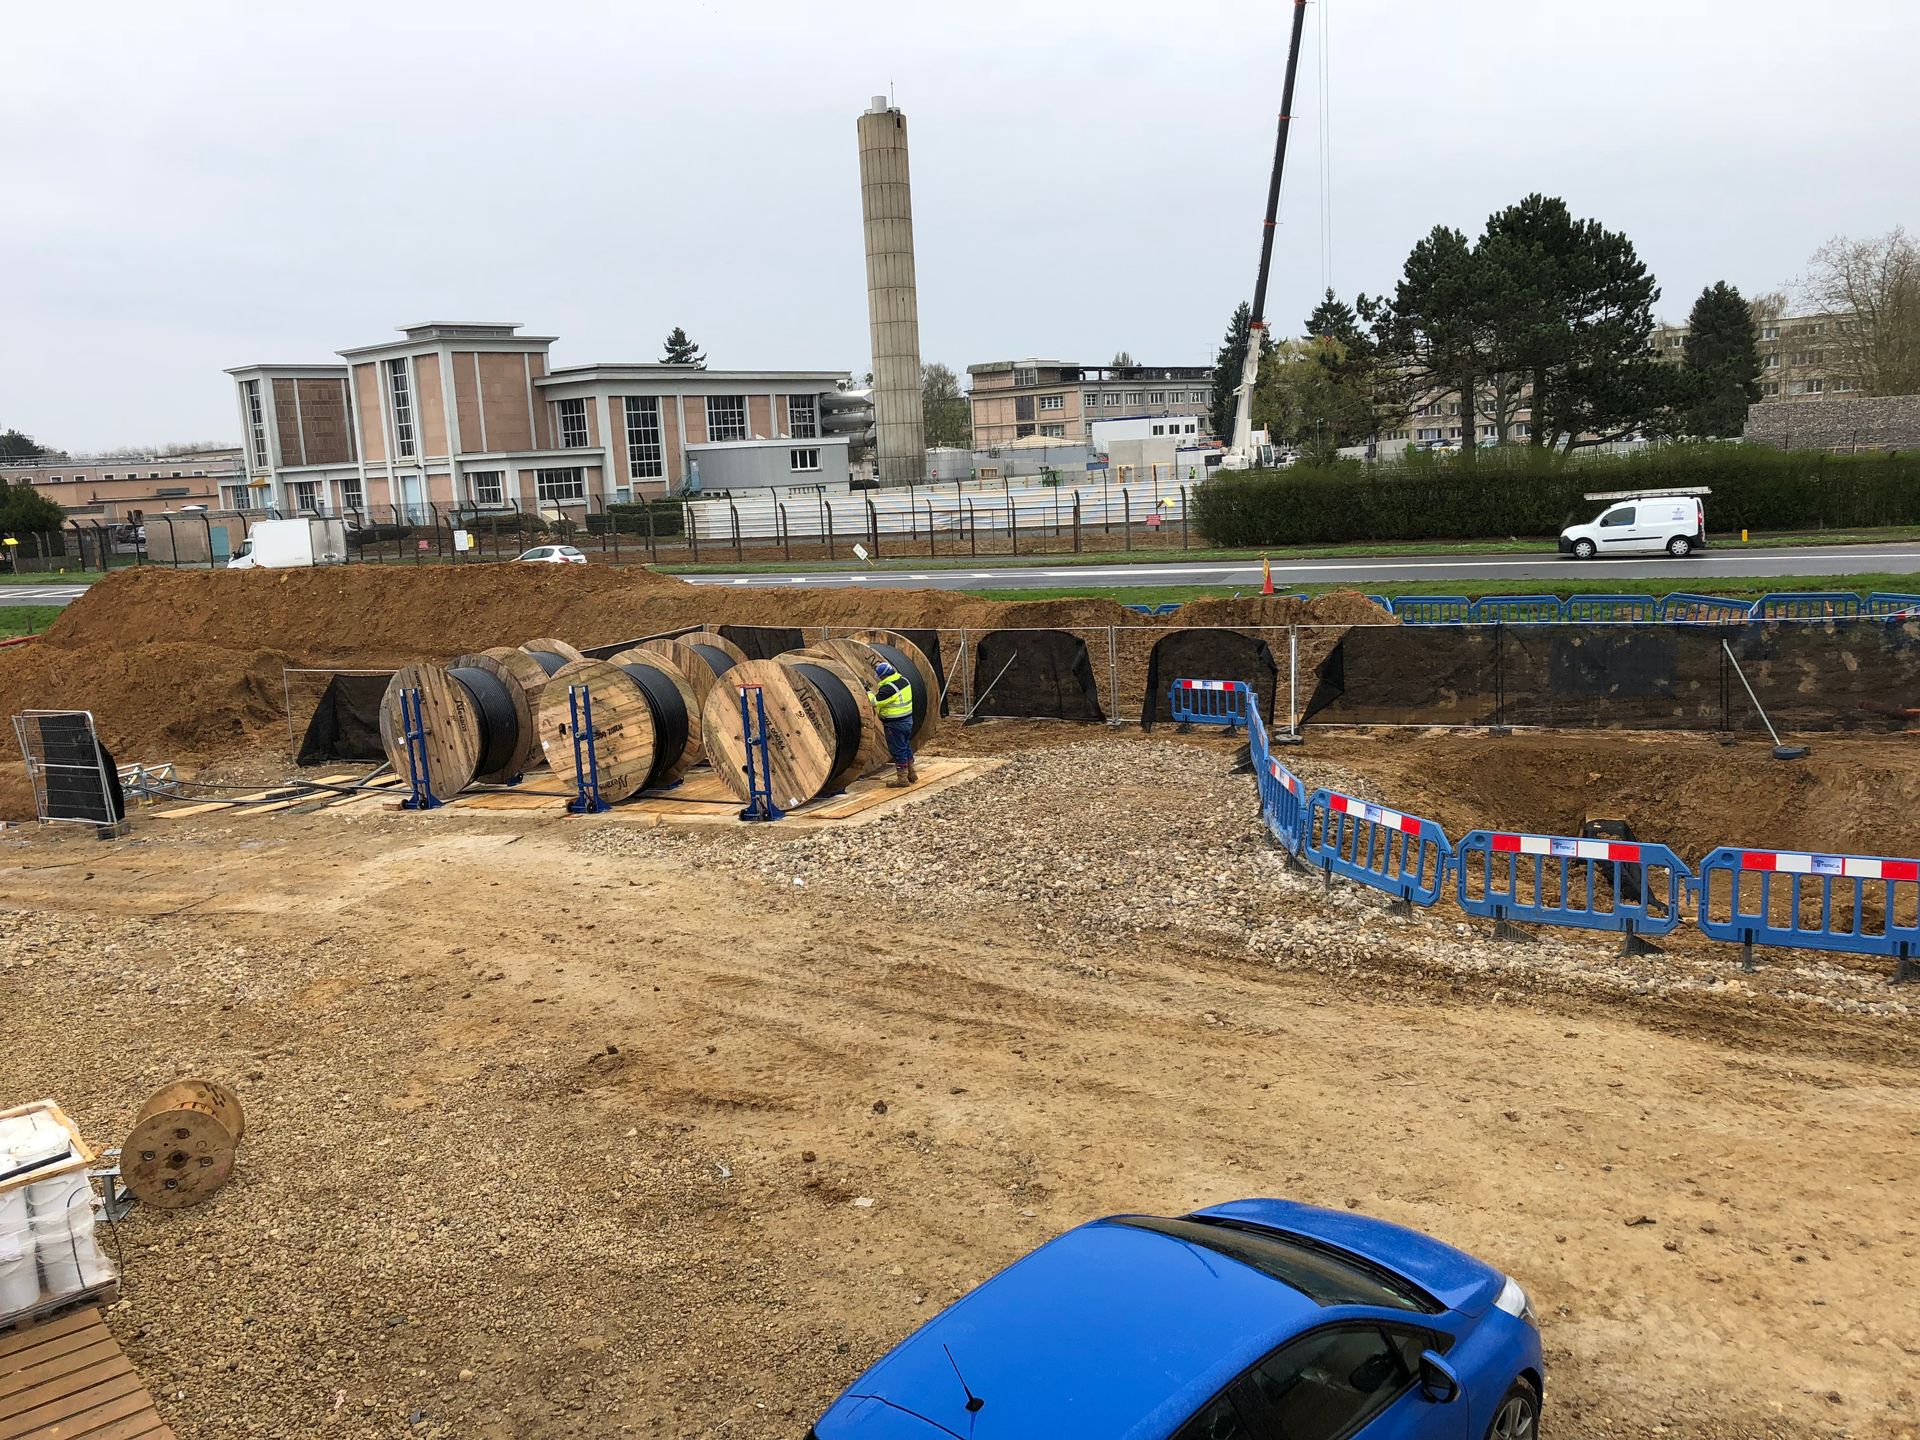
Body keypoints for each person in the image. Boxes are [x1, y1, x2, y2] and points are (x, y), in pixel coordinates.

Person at [869, 659, 917, 787]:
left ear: (883, 676)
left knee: (898, 750)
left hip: (895, 724)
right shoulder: (904, 680)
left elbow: (875, 702)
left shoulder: (889, 688)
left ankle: (902, 779)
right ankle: (912, 773)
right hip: (907, 721)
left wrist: (867, 691)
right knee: (905, 745)